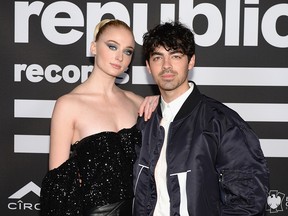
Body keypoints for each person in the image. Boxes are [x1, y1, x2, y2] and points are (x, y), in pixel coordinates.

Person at [133, 21, 269, 215]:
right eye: (157, 57)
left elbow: (248, 200)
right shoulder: (145, 123)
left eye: (176, 56)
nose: (167, 66)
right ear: (148, 66)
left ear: (191, 61)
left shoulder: (222, 122)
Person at [40, 19, 158, 216]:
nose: (119, 56)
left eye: (127, 51)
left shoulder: (139, 103)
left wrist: (162, 102)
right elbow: (58, 191)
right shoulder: (68, 105)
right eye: (112, 46)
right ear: (94, 47)